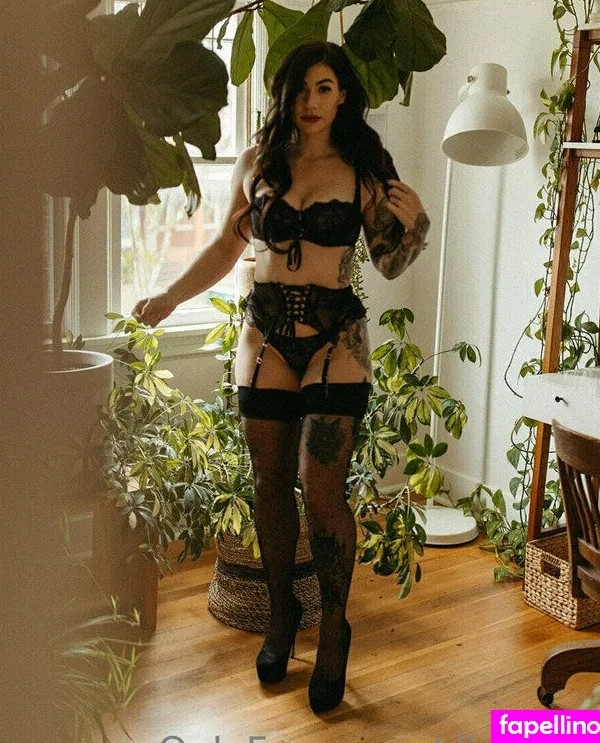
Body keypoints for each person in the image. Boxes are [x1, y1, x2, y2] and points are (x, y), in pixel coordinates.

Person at [133, 41, 429, 713]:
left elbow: (387, 263)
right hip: (265, 336)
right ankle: (281, 613)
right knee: (268, 483)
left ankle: (334, 628)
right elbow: (225, 247)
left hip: (335, 340)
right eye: (300, 89)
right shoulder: (258, 164)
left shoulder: (363, 169)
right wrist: (169, 297)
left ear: (343, 94)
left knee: (321, 491)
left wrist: (413, 225)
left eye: (324, 88)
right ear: (285, 96)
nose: (310, 102)